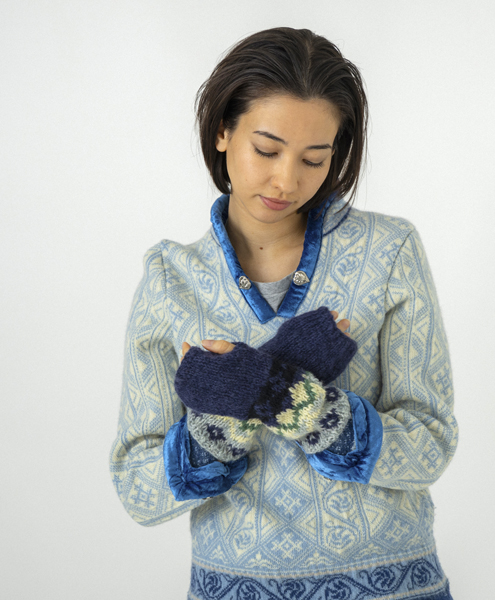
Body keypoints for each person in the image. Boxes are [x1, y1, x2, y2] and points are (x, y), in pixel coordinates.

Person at [109, 27, 459, 600]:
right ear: (223, 131)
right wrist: (231, 417)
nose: (287, 181)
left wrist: (302, 406)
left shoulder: (389, 250)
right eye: (267, 150)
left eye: (314, 159)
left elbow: (431, 442)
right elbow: (138, 491)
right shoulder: (170, 278)